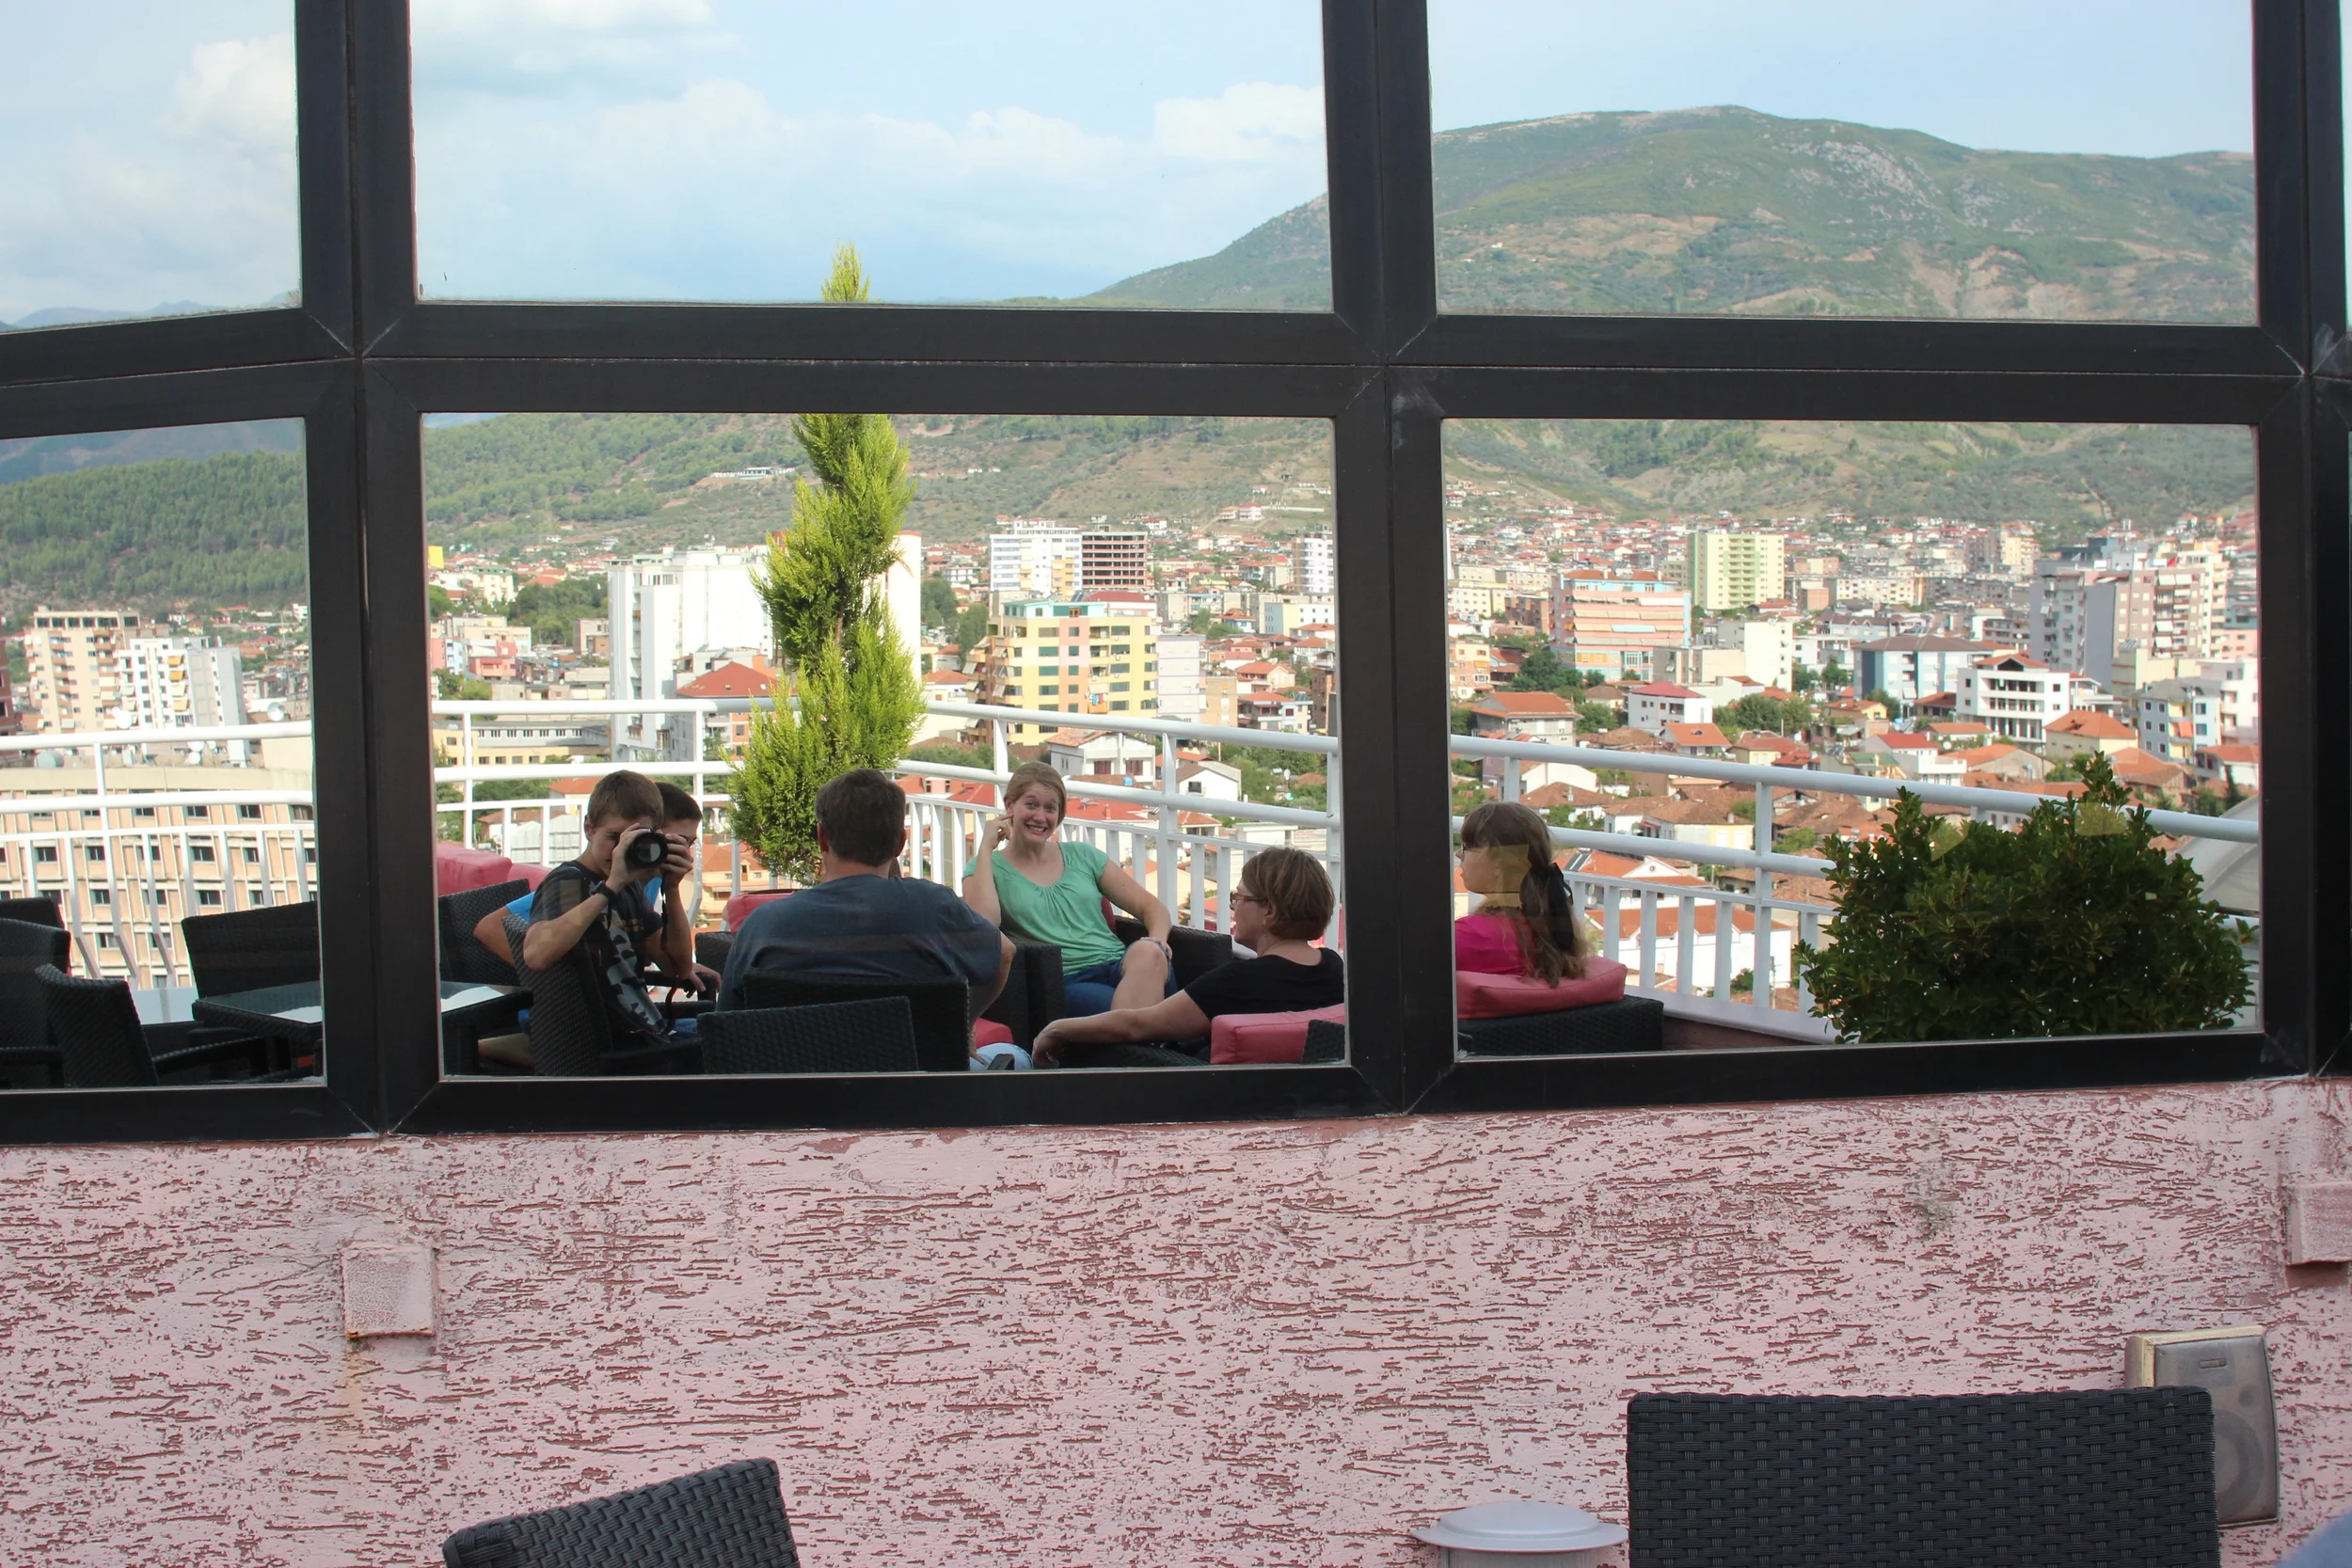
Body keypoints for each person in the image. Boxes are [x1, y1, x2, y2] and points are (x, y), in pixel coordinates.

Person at [718, 768, 1014, 1042]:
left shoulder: (764, 926)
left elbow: (727, 1026)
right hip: (916, 1079)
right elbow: (1004, 954)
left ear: (822, 838)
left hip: (796, 1081)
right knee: (1016, 1056)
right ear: (900, 843)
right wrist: (963, 1026)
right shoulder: (936, 909)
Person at [1028, 847, 1342, 1067]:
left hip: (1200, 1097)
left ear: (1269, 911)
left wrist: (1057, 1029)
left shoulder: (1236, 982)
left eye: (1239, 897)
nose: (1233, 907)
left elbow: (1136, 1025)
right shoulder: (1333, 968)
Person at [961, 759, 1177, 1016]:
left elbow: (1151, 906)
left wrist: (1158, 940)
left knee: (1149, 953)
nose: (1040, 817)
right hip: (1070, 979)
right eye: (1031, 805)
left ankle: (1141, 1034)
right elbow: (986, 924)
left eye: (1050, 808)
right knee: (1147, 1011)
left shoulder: (1082, 855)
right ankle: (1156, 1033)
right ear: (1010, 805)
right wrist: (985, 848)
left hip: (1122, 966)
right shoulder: (986, 867)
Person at [520, 769, 698, 1053]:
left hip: (643, 1034)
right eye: (614, 837)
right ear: (589, 829)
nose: (618, 851)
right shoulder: (570, 882)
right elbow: (536, 955)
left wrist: (672, 888)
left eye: (631, 839)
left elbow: (677, 968)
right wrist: (610, 887)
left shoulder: (630, 886)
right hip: (619, 1049)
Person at [475, 781, 714, 990]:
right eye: (673, 841)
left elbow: (674, 966)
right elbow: (491, 928)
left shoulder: (641, 883)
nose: (682, 851)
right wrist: (560, 985)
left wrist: (672, 891)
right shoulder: (575, 883)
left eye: (688, 843)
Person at [1454, 800, 1588, 983]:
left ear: (1499, 863)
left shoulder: (1468, 936)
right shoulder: (1559, 925)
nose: (1459, 854)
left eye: (1467, 846)